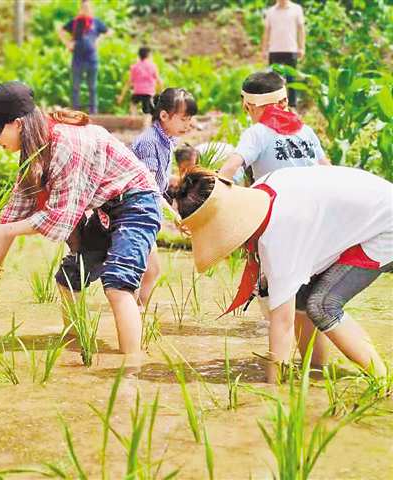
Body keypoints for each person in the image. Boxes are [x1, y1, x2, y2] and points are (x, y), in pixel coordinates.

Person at [0, 81, 161, 355]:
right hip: (105, 208)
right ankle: (77, 346)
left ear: (17, 124)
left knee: (117, 285)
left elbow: (59, 219)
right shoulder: (34, 154)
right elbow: (14, 215)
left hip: (136, 201)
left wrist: (2, 231)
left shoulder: (66, 144)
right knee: (69, 278)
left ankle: (130, 371)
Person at [174, 165, 392, 383]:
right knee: (302, 299)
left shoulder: (279, 238)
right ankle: (316, 369)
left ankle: (383, 381)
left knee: (323, 306)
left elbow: (283, 324)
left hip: (385, 226)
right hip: (368, 209)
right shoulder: (260, 192)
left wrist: (273, 387)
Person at [130, 88, 197, 307]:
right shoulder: (150, 142)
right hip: (135, 213)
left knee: (149, 272)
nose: (189, 125)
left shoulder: (168, 139)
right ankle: (134, 318)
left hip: (147, 212)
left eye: (190, 119)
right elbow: (147, 186)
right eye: (184, 119)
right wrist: (174, 215)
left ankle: (136, 316)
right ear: (164, 116)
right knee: (143, 273)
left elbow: (159, 178)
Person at [219, 71, 329, 182]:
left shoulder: (257, 133)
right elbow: (326, 168)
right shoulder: (306, 131)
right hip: (312, 196)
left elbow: (231, 167)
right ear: (285, 102)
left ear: (248, 106)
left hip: (277, 198)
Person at [59, 0, 110, 114]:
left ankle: (93, 111)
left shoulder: (95, 22)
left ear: (91, 8)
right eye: (83, 7)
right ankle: (75, 111)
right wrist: (67, 43)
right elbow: (61, 31)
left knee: (92, 87)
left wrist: (99, 40)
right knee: (76, 87)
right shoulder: (75, 22)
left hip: (92, 59)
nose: (85, 10)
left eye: (87, 7)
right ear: (80, 8)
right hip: (77, 59)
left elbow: (108, 32)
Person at [261, 0, 306, 107]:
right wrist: (264, 49)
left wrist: (302, 47)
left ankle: (292, 106)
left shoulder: (296, 9)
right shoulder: (270, 11)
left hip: (291, 50)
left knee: (291, 80)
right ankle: (275, 106)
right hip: (274, 51)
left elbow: (301, 30)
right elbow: (267, 31)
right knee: (274, 80)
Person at [117, 46, 163, 115]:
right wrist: (160, 92)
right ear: (149, 55)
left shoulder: (135, 66)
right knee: (148, 112)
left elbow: (129, 82)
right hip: (148, 92)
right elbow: (159, 81)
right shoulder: (152, 66)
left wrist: (121, 96)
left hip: (137, 91)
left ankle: (133, 116)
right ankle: (146, 125)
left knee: (133, 104)